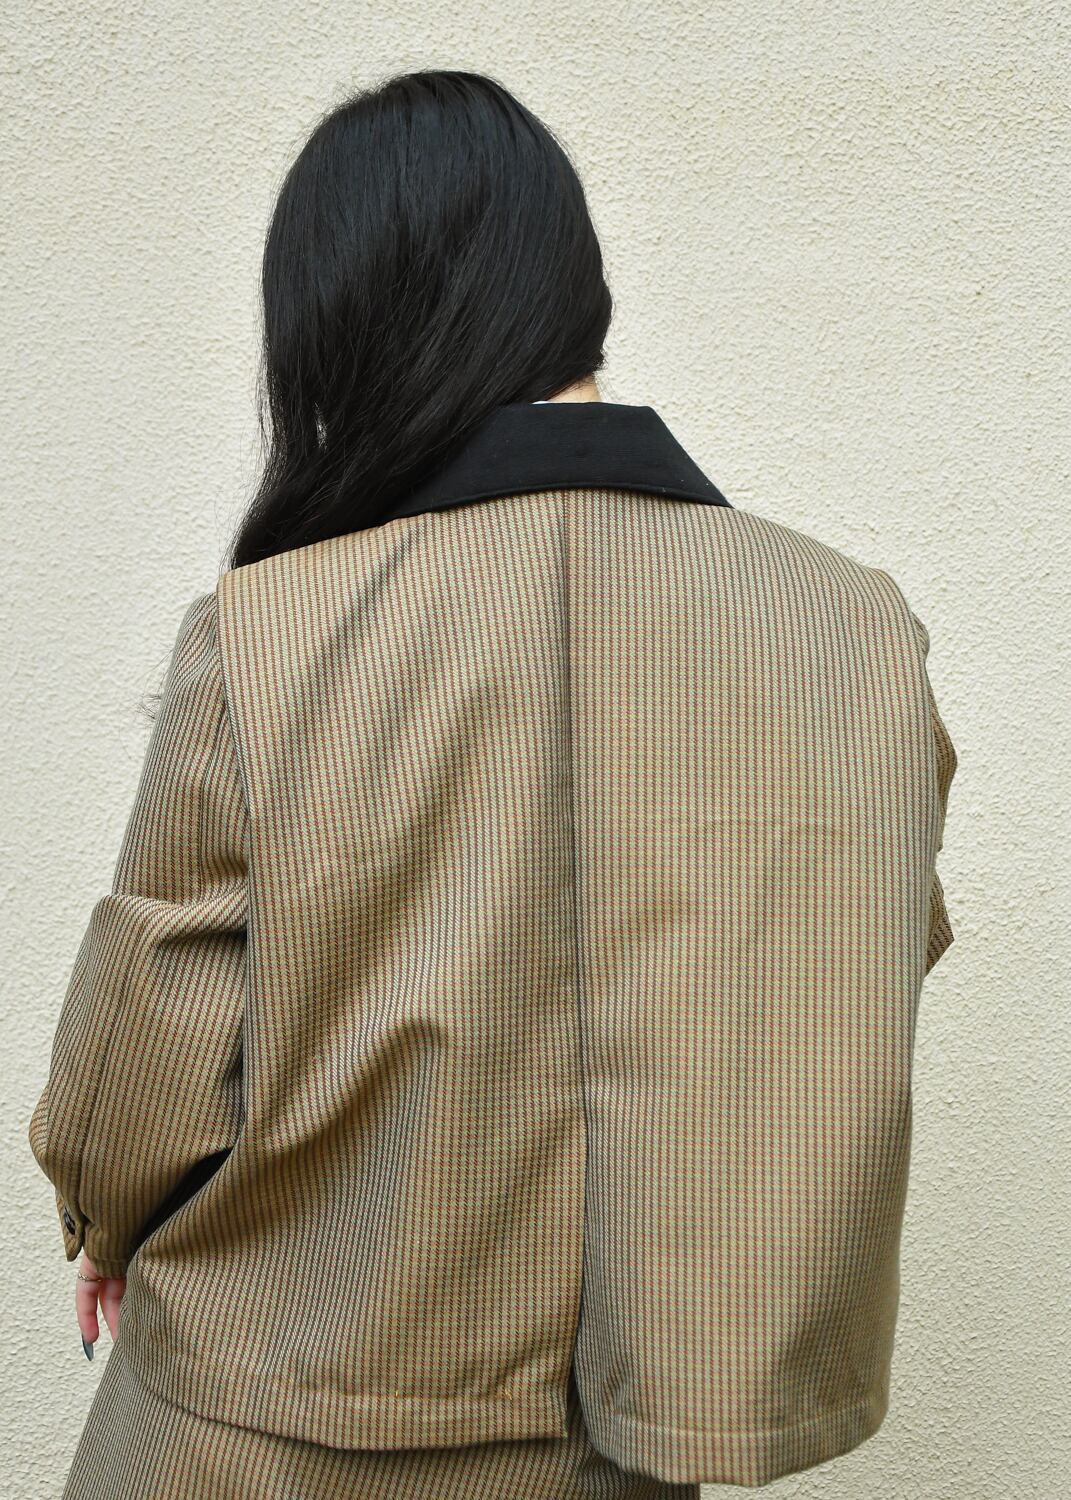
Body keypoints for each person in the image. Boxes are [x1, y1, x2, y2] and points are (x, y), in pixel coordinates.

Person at [28, 69, 957, 1498]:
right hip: (615, 1446)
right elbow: (866, 962)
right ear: (571, 296)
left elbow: (151, 1048)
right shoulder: (853, 631)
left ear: (341, 325)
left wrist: (104, 1220)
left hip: (258, 1421)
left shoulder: (270, 633)